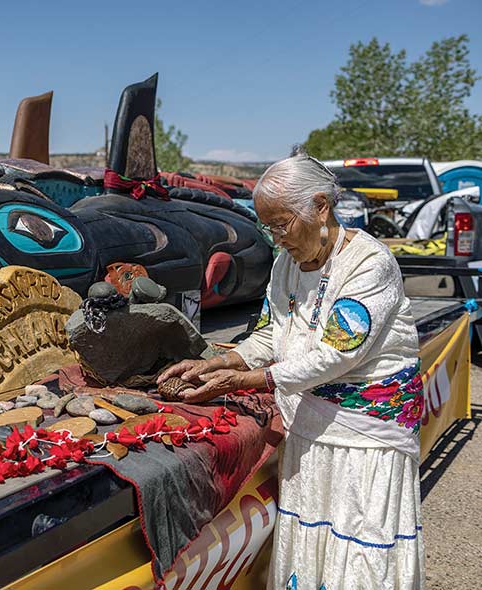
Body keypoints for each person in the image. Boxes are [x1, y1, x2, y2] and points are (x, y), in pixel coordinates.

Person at [158, 148, 425, 589]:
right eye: (268, 227)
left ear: (320, 207)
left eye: (282, 224)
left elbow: (338, 354)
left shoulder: (369, 264)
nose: (276, 237)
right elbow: (272, 333)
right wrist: (218, 361)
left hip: (366, 434)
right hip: (311, 425)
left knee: (359, 536)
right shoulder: (286, 264)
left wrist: (247, 380)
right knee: (313, 529)